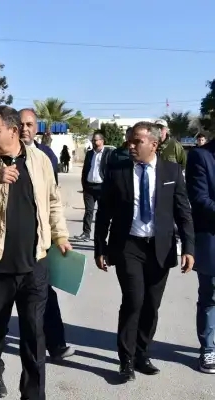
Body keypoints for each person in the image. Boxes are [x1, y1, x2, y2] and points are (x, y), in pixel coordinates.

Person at [0, 105, 71, 399]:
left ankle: (33, 394)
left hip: (34, 265)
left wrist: (60, 235)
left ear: (13, 131)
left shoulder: (40, 160)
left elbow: (53, 200)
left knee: (34, 335)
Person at [94, 121, 194, 383]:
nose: (131, 145)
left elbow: (183, 211)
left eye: (137, 141)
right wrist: (99, 247)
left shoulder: (171, 170)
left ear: (154, 143)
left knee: (151, 304)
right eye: (130, 140)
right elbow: (104, 212)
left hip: (160, 247)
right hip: (128, 246)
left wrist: (189, 248)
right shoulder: (118, 170)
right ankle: (125, 360)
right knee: (133, 300)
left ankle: (141, 353)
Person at [19, 108, 75, 361]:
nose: (25, 129)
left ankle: (56, 343)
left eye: (30, 124)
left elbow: (53, 198)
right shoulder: (1, 156)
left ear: (36, 127)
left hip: (41, 242)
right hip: (12, 245)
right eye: (20, 124)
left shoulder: (46, 155)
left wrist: (59, 235)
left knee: (46, 294)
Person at [184, 139, 215, 373]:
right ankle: (209, 348)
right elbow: (200, 200)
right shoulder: (201, 156)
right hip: (212, 236)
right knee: (211, 295)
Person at [76, 133, 112, 241]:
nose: (94, 142)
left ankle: (101, 236)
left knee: (102, 213)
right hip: (89, 188)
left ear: (102, 141)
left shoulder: (108, 153)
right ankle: (86, 233)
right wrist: (84, 184)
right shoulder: (90, 153)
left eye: (96, 140)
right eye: (93, 140)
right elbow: (85, 169)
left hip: (102, 188)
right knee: (88, 211)